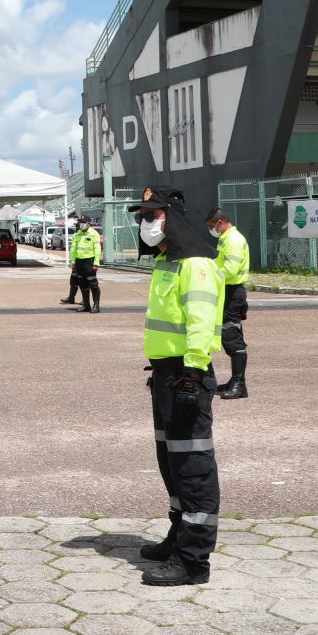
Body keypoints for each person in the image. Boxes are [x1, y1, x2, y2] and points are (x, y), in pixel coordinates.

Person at [130, 180, 223, 587]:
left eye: (152, 216)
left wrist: (192, 373)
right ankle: (177, 537)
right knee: (171, 462)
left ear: (173, 218)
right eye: (142, 217)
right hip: (166, 375)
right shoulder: (167, 260)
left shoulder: (195, 263)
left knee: (193, 467)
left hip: (186, 375)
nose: (145, 223)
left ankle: (193, 561)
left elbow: (202, 321)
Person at [206, 208, 251, 400]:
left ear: (220, 223)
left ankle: (240, 384)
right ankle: (235, 380)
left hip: (233, 293)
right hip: (228, 292)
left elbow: (231, 270)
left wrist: (210, 276)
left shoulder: (232, 240)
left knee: (232, 336)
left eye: (211, 226)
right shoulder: (225, 238)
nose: (211, 230)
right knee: (228, 334)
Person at [66, 216, 102, 313]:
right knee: (82, 284)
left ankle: (96, 305)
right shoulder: (78, 234)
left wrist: (96, 263)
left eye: (83, 222)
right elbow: (73, 249)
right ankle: (86, 305)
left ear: (89, 223)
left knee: (93, 285)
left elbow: (97, 249)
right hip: (79, 262)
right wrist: (73, 262)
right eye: (80, 222)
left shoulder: (94, 234)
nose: (81, 223)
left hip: (89, 262)